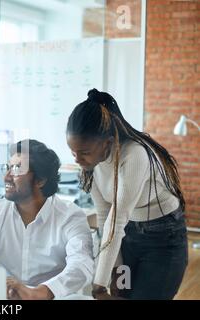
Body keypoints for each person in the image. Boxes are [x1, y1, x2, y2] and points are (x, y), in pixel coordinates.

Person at [66, 88, 188, 300]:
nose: (77, 159)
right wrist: (116, 272)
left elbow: (116, 219)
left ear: (108, 142)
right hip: (128, 235)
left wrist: (98, 287)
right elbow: (105, 217)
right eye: (73, 152)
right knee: (121, 294)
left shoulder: (134, 155)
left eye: (84, 152)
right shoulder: (90, 164)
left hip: (163, 238)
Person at [0, 139, 94, 300]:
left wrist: (40, 292)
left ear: (40, 180)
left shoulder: (70, 216)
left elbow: (82, 264)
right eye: (8, 167)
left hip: (50, 296)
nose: (6, 177)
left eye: (17, 169)